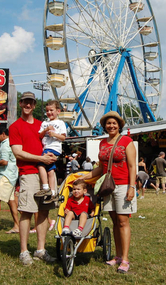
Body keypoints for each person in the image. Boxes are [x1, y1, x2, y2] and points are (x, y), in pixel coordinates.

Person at [75, 111, 137, 273]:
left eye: (114, 123)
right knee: (115, 222)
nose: (111, 126)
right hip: (108, 186)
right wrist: (82, 178)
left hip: (123, 185)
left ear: (119, 125)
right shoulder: (103, 143)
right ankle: (117, 256)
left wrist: (132, 187)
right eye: (108, 123)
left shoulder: (126, 141)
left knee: (123, 221)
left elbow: (132, 166)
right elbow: (101, 168)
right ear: (104, 126)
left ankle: (125, 259)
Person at [9, 91, 57, 266]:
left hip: (46, 171)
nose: (28, 105)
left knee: (44, 211)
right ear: (20, 104)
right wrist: (41, 159)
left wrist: (53, 155)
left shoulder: (41, 125)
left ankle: (41, 249)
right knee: (27, 211)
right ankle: (23, 251)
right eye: (25, 102)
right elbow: (17, 152)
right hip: (28, 172)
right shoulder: (15, 127)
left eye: (31, 102)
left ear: (34, 105)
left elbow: (53, 142)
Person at [34, 100, 66, 202]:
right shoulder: (44, 123)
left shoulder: (61, 123)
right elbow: (40, 135)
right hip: (46, 147)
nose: (49, 113)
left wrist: (54, 135)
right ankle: (53, 193)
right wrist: (45, 130)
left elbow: (63, 138)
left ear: (58, 111)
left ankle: (45, 187)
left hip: (53, 148)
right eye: (47, 111)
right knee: (50, 170)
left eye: (51, 110)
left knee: (40, 165)